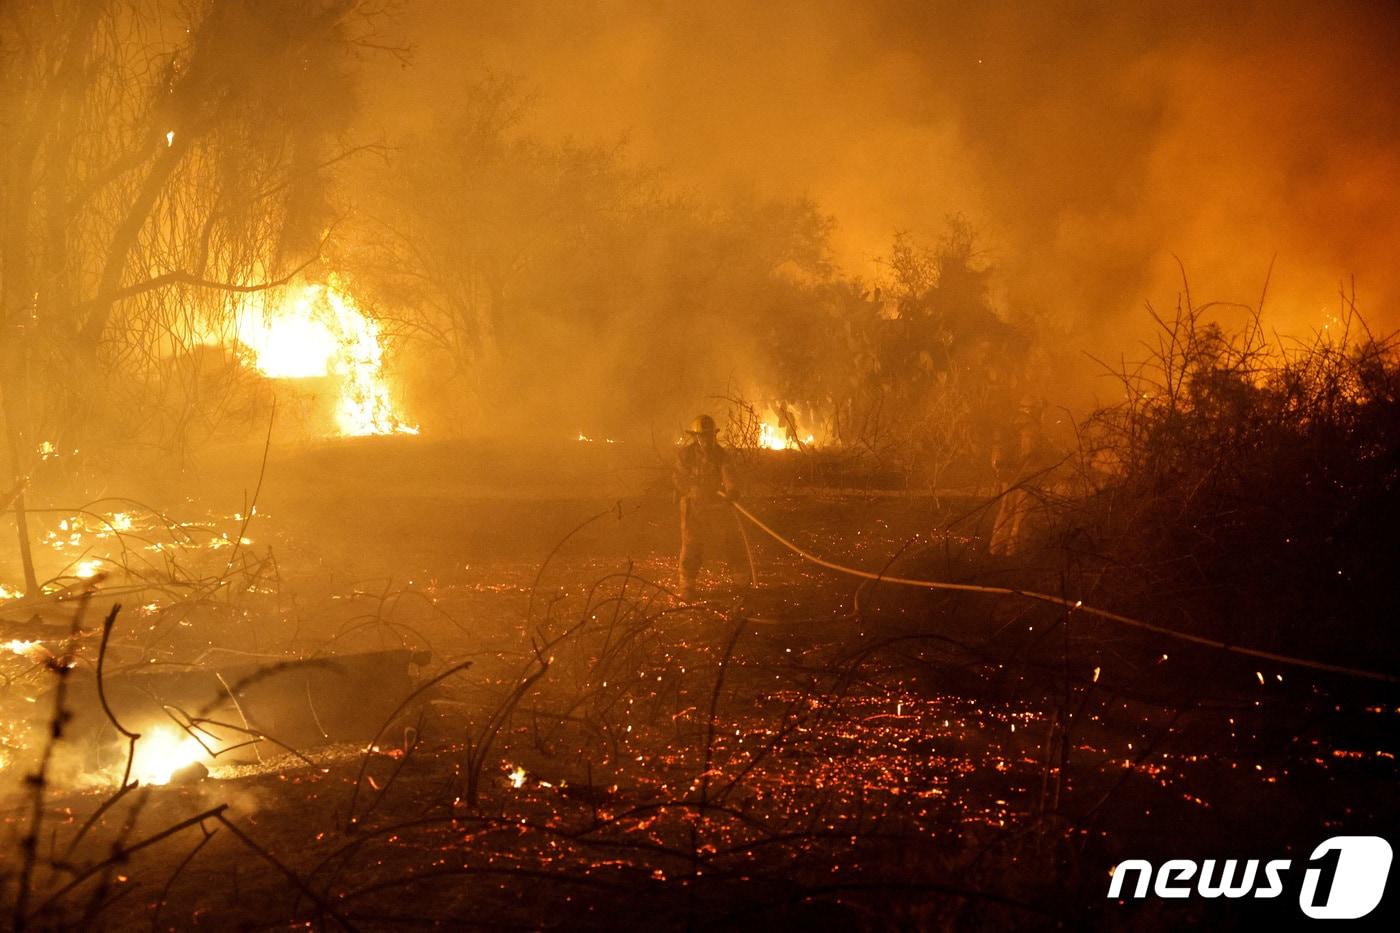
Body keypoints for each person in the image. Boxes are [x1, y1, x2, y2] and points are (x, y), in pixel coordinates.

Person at [673, 414, 749, 599]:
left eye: (709, 435)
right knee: (691, 545)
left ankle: (741, 582)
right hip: (693, 508)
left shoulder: (721, 455)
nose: (706, 439)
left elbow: (728, 473)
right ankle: (687, 585)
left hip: (717, 506)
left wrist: (731, 491)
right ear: (696, 437)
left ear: (713, 436)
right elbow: (678, 479)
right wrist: (693, 490)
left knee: (731, 540)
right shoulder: (686, 455)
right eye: (702, 436)